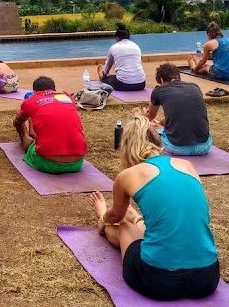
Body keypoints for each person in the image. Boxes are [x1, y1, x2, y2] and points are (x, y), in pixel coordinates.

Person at [87, 116, 219, 300]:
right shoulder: (187, 166)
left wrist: (102, 215)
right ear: (158, 142)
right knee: (156, 227)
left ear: (127, 148)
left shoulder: (127, 175)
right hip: (207, 277)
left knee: (123, 226)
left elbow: (115, 217)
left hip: (158, 280)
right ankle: (136, 218)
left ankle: (130, 218)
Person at [132, 63, 212, 155]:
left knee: (151, 129)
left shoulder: (159, 90)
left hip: (176, 148)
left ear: (161, 80)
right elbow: (183, 113)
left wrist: (139, 116)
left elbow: (149, 117)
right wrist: (161, 122)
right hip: (204, 147)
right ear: (179, 77)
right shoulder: (195, 87)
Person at [12, 76, 87, 174]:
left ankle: (28, 138)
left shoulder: (30, 101)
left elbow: (18, 121)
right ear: (54, 89)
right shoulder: (67, 97)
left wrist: (20, 127)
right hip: (77, 163)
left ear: (34, 91)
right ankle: (34, 135)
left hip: (48, 163)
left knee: (23, 129)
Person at [96, 23, 146, 91]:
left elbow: (108, 66)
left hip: (123, 85)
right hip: (141, 84)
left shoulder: (114, 47)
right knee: (115, 76)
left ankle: (103, 77)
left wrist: (104, 76)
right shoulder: (136, 46)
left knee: (108, 78)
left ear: (117, 38)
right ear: (128, 37)